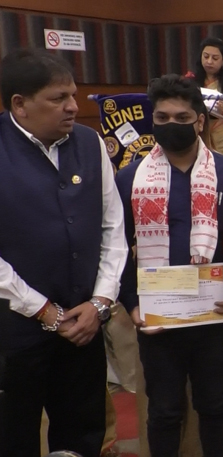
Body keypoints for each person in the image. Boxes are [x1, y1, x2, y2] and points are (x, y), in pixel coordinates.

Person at [0, 49, 128, 457]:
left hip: (84, 328)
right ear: (20, 104)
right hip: (14, 334)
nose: (73, 106)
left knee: (82, 438)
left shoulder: (90, 143)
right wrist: (43, 311)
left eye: (72, 95)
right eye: (58, 98)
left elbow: (113, 229)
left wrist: (101, 302)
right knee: (13, 437)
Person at [116, 74, 223, 457]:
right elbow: (115, 248)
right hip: (158, 318)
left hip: (214, 314)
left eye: (182, 118)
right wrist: (131, 303)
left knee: (215, 406)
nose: (172, 125)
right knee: (164, 411)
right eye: (163, 117)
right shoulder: (130, 178)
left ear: (200, 121)